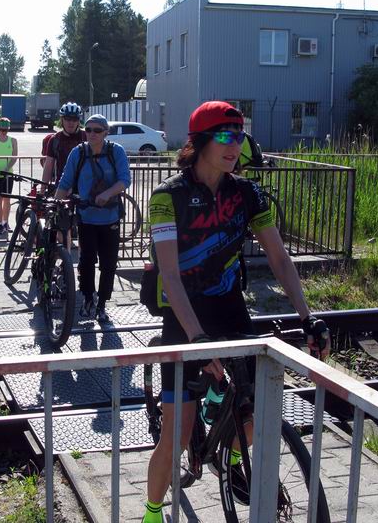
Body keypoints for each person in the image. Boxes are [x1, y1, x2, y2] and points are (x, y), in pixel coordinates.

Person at [140, 101, 329, 523]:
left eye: (240, 136)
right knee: (176, 435)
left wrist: (307, 317)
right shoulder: (167, 197)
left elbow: (279, 258)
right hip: (184, 318)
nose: (234, 145)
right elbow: (169, 274)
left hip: (230, 311)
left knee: (253, 419)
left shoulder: (246, 192)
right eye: (225, 136)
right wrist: (197, 339)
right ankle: (152, 512)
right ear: (201, 140)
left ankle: (229, 459)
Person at [54, 114, 131, 324]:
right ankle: (88, 298)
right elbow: (65, 181)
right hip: (86, 218)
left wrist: (108, 194)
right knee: (87, 261)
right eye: (88, 130)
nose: (92, 134)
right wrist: (54, 205)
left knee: (109, 263)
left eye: (97, 130)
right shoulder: (78, 153)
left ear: (106, 132)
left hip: (111, 218)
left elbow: (125, 179)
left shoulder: (116, 152)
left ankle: (102, 304)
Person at [41, 102, 86, 186]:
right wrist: (43, 189)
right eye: (67, 119)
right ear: (62, 120)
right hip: (62, 186)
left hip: (84, 187)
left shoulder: (87, 137)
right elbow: (48, 167)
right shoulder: (54, 140)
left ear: (78, 121)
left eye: (74, 119)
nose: (71, 122)